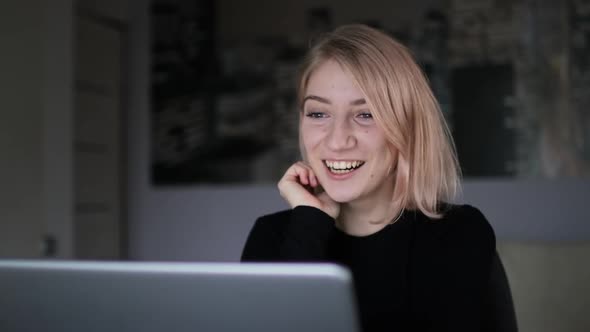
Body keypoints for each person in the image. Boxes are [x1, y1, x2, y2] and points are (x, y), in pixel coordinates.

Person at [241, 24, 496, 332]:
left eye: (366, 114)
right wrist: (309, 224)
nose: (337, 141)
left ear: (406, 126)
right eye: (318, 114)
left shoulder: (459, 234)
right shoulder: (273, 236)